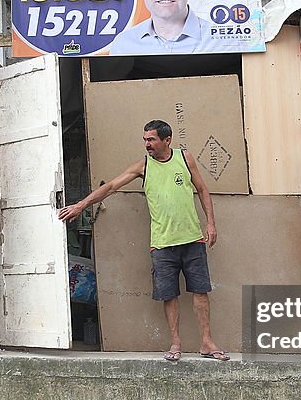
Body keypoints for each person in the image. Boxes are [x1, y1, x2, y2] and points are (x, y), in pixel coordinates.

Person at [57, 120, 230, 361]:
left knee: (200, 291)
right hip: (162, 243)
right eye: (145, 139)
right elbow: (112, 187)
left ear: (166, 140)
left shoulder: (185, 158)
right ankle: (176, 343)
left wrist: (211, 223)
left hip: (193, 239)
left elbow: (202, 189)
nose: (147, 144)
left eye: (151, 139)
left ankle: (206, 342)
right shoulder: (143, 166)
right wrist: (81, 205)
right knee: (169, 295)